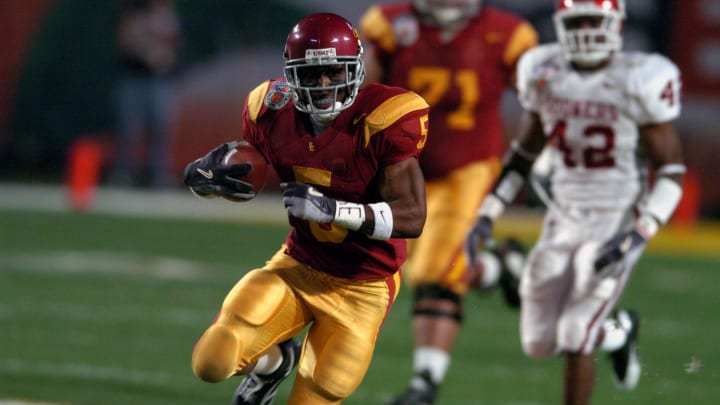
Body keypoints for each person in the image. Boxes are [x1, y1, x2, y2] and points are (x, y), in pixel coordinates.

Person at [183, 13, 430, 405]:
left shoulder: (385, 117)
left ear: (355, 68)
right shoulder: (269, 108)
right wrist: (207, 175)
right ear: (291, 73)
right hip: (299, 265)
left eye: (333, 72)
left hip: (364, 285)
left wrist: (334, 211)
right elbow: (250, 166)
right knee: (212, 361)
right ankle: (272, 365)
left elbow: (413, 217)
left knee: (320, 392)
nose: (323, 85)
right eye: (311, 74)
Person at [465, 1, 685, 404]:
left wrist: (639, 234)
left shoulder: (638, 78)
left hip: (616, 218)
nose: (585, 30)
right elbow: (523, 156)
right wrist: (487, 215)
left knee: (576, 331)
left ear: (616, 24)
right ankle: (618, 332)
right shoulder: (545, 72)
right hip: (562, 216)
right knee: (537, 343)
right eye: (577, 21)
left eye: (593, 21)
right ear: (561, 25)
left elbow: (671, 172)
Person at [358, 1, 538, 403]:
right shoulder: (389, 24)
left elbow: (540, 102)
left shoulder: (507, 35)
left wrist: (544, 153)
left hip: (467, 169)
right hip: (404, 168)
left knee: (435, 270)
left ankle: (425, 383)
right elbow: (361, 95)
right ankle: (495, 268)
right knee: (387, 262)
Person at [111, 0, 181, 188]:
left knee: (161, 127)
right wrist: (145, 52)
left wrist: (163, 56)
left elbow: (172, 43)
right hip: (134, 77)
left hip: (159, 79)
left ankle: (159, 175)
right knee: (128, 128)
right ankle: (124, 173)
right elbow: (125, 41)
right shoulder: (133, 14)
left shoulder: (166, 14)